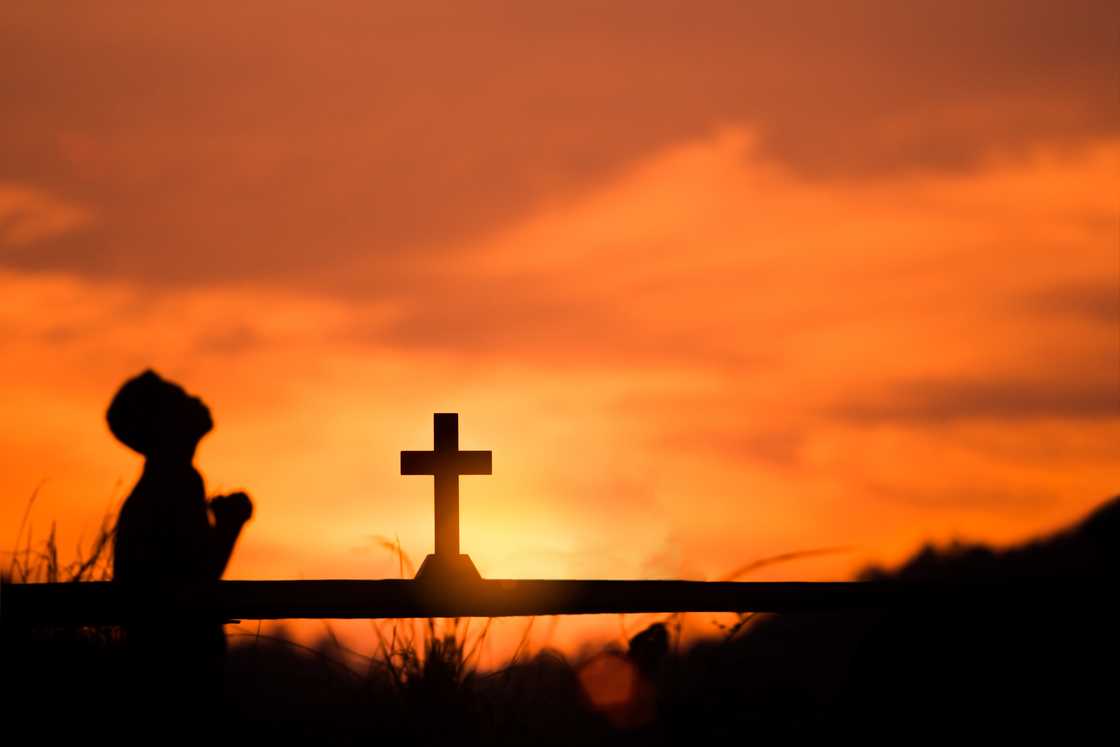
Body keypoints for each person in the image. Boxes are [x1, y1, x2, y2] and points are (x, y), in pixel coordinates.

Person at [107, 369, 253, 718]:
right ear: (162, 425)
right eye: (179, 399)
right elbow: (198, 578)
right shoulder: (176, 482)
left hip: (159, 661)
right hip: (179, 663)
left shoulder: (165, 483)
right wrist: (231, 524)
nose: (195, 399)